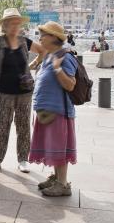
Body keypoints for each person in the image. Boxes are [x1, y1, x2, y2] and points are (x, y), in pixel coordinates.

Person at [0, 8, 45, 173]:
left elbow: (43, 51)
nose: (15, 26)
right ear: (4, 25)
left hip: (24, 92)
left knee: (24, 126)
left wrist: (32, 66)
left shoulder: (25, 41)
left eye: (17, 23)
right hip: (3, 92)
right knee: (2, 126)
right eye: (11, 23)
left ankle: (23, 160)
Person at [29, 21, 78, 197]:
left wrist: (57, 69)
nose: (40, 38)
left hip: (58, 110)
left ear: (53, 38)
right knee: (51, 145)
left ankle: (63, 184)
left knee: (58, 146)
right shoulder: (50, 55)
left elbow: (71, 85)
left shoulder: (66, 57)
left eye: (43, 35)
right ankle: (57, 178)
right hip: (46, 109)